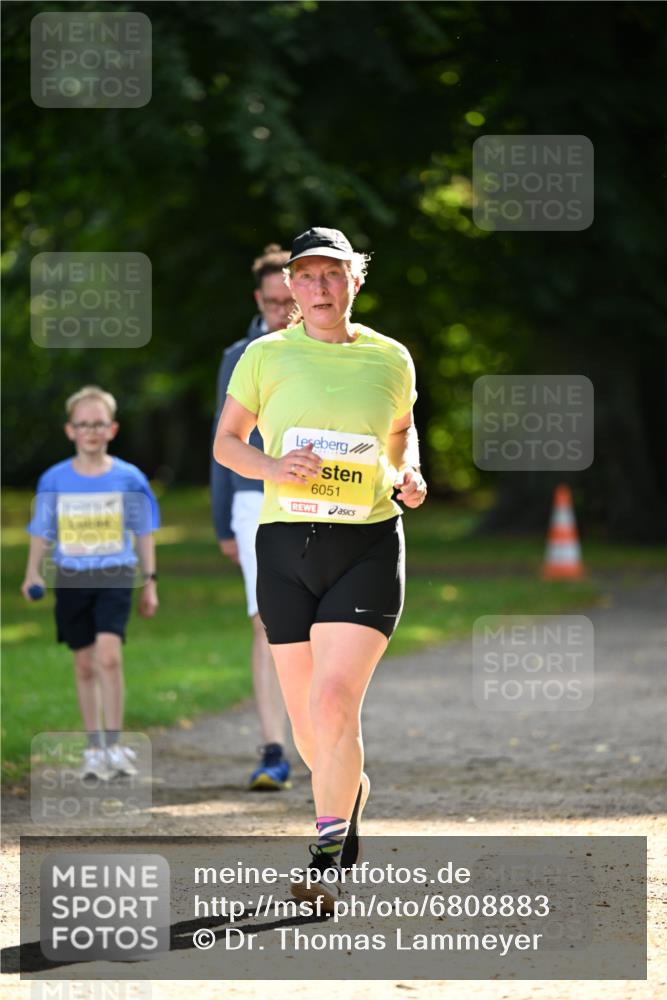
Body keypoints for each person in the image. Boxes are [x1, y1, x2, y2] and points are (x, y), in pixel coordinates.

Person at [214, 227, 427, 911]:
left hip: (365, 544)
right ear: (291, 287)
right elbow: (225, 443)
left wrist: (409, 470)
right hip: (283, 548)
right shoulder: (263, 354)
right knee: (311, 726)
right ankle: (347, 794)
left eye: (331, 275)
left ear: (353, 283)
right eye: (305, 277)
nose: (318, 288)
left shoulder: (390, 358)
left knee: (335, 702)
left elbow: (399, 431)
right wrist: (272, 466)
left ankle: (325, 857)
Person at [21, 386, 160, 781]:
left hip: (116, 575)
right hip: (70, 578)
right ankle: (94, 747)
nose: (91, 431)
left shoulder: (129, 478)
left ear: (112, 428)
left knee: (109, 656)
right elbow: (41, 531)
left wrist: (149, 582)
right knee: (84, 664)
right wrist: (32, 572)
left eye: (98, 423)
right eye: (83, 424)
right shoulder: (54, 479)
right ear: (70, 430)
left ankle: (115, 745)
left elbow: (144, 531)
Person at [211, 245, 295, 791]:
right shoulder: (238, 355)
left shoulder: (326, 351)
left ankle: (319, 740)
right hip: (250, 499)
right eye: (272, 302)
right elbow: (220, 440)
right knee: (266, 621)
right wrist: (222, 522)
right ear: (257, 299)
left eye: (289, 302)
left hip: (319, 498)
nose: (281, 313)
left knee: (312, 625)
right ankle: (274, 749)